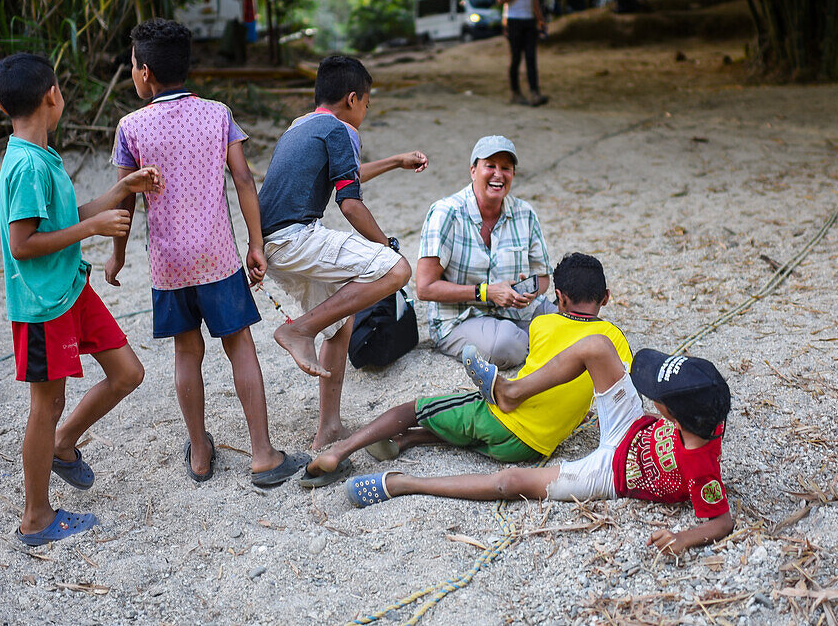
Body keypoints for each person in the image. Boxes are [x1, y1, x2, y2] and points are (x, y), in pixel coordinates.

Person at [106, 18, 308, 487]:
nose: (133, 73)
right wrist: (256, 243)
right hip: (217, 257)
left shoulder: (130, 127)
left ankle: (199, 450)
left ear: (147, 72)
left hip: (169, 265)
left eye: (133, 66)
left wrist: (117, 256)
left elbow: (125, 197)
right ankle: (262, 454)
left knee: (186, 353)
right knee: (239, 346)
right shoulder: (217, 113)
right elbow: (242, 179)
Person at [345, 341, 735, 556]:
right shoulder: (709, 408)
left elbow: (721, 521)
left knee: (510, 482)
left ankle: (404, 483)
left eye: (657, 395)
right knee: (598, 347)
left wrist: (683, 539)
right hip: (633, 428)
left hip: (610, 474)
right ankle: (511, 391)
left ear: (673, 416)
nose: (649, 392)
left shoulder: (701, 466)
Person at [0, 52, 162, 545]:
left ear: (4, 104)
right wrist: (93, 228)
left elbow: (63, 220)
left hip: (71, 289)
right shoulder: (25, 165)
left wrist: (120, 190)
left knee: (128, 372)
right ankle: (36, 517)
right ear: (53, 95)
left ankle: (65, 445)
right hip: (42, 302)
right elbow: (21, 245)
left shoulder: (41, 155)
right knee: (45, 405)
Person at [300, 253, 630, 487]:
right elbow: (621, 386)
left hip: (503, 422)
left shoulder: (543, 323)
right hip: (535, 448)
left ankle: (340, 451)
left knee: (418, 408)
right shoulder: (615, 339)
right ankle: (406, 442)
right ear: (606, 297)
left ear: (558, 297)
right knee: (464, 425)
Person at [258, 55, 428, 448]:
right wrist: (385, 246)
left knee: (342, 321)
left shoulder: (302, 126)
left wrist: (395, 161)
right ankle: (298, 330)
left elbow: (344, 171)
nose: (366, 111)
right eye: (367, 103)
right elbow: (349, 203)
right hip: (296, 236)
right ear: (353, 99)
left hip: (271, 245)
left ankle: (329, 428)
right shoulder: (339, 130)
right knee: (396, 270)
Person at [416, 135, 554, 370]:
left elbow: (542, 278)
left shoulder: (525, 213)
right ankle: (542, 345)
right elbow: (424, 287)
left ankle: (544, 341)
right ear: (473, 170)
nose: (498, 174)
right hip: (460, 318)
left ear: (513, 174)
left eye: (506, 168)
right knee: (506, 346)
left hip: (517, 312)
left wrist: (528, 292)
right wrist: (486, 292)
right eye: (490, 166)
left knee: (571, 322)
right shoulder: (446, 213)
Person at [495, 0, 547, 107]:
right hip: (513, 20)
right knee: (516, 57)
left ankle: (534, 93)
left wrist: (540, 19)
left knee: (532, 58)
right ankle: (515, 92)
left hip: (529, 20)